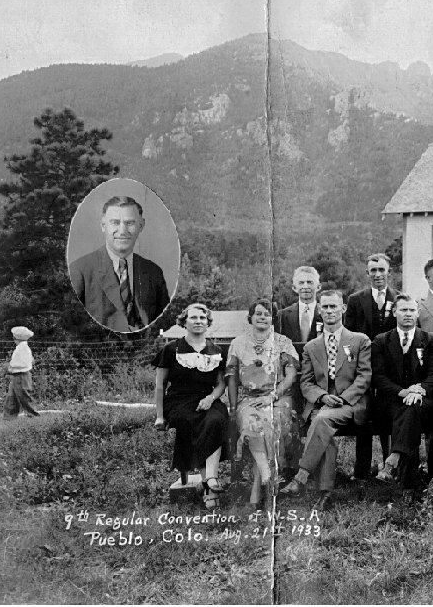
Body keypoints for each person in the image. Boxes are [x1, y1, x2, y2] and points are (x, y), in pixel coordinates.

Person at [281, 291, 372, 507]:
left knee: (322, 420)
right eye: (325, 307)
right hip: (322, 404)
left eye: (334, 306)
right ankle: (325, 494)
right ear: (319, 310)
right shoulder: (311, 347)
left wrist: (343, 398)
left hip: (351, 403)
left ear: (343, 308)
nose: (329, 311)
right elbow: (306, 383)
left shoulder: (359, 340)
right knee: (323, 426)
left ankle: (301, 476)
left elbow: (364, 376)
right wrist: (323, 397)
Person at [153, 304, 230, 508]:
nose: (198, 321)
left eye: (202, 318)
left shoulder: (216, 351)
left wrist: (211, 398)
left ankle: (210, 479)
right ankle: (209, 486)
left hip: (206, 398)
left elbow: (221, 384)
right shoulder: (171, 349)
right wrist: (160, 416)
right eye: (193, 318)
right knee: (194, 421)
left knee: (217, 418)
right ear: (184, 322)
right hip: (178, 401)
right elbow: (160, 385)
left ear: (208, 322)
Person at [226, 300, 301, 508]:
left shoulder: (283, 342)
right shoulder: (238, 343)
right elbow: (231, 377)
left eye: (267, 314)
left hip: (278, 397)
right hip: (249, 398)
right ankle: (268, 474)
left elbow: (291, 376)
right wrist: (233, 407)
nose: (262, 317)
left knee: (272, 422)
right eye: (258, 313)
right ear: (250, 317)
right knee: (251, 422)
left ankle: (257, 489)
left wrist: (273, 396)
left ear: (272, 318)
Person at [69, 195, 171, 332]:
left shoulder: (153, 272)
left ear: (141, 225)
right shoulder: (80, 270)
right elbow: (71, 326)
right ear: (103, 225)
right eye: (115, 222)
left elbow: (163, 324)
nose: (122, 231)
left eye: (130, 223)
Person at [370, 295, 433, 490]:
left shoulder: (429, 340)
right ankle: (410, 479)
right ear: (394, 312)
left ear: (418, 313)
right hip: (391, 401)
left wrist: (420, 391)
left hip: (422, 400)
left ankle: (393, 460)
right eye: (403, 310)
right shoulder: (381, 341)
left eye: (411, 310)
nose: (408, 314)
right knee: (409, 410)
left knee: (412, 408)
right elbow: (378, 377)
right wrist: (403, 392)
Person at [344, 253, 400, 481]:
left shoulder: (399, 299)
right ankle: (362, 469)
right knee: (364, 412)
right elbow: (348, 337)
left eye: (381, 270)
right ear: (367, 273)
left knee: (391, 411)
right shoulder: (356, 300)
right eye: (373, 270)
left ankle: (391, 467)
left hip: (391, 369)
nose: (378, 274)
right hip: (363, 367)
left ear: (389, 272)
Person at [275, 266, 323, 350]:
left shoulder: (326, 313)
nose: (305, 286)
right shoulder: (282, 315)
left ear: (318, 287)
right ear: (294, 287)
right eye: (301, 283)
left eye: (310, 282)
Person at [3, 326, 39, 418]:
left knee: (24, 396)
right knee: (11, 397)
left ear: (17, 338)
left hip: (21, 375)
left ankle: (33, 414)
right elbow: (32, 361)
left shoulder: (22, 349)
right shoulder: (23, 347)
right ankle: (9, 416)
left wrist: (10, 367)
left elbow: (22, 363)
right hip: (17, 375)